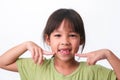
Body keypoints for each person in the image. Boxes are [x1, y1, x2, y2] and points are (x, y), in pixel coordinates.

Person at [0, 8, 120, 80]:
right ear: (48, 40)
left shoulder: (92, 71)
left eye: (72, 35)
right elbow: (3, 62)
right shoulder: (37, 66)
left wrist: (108, 54)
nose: (65, 42)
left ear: (81, 40)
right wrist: (26, 45)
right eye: (58, 35)